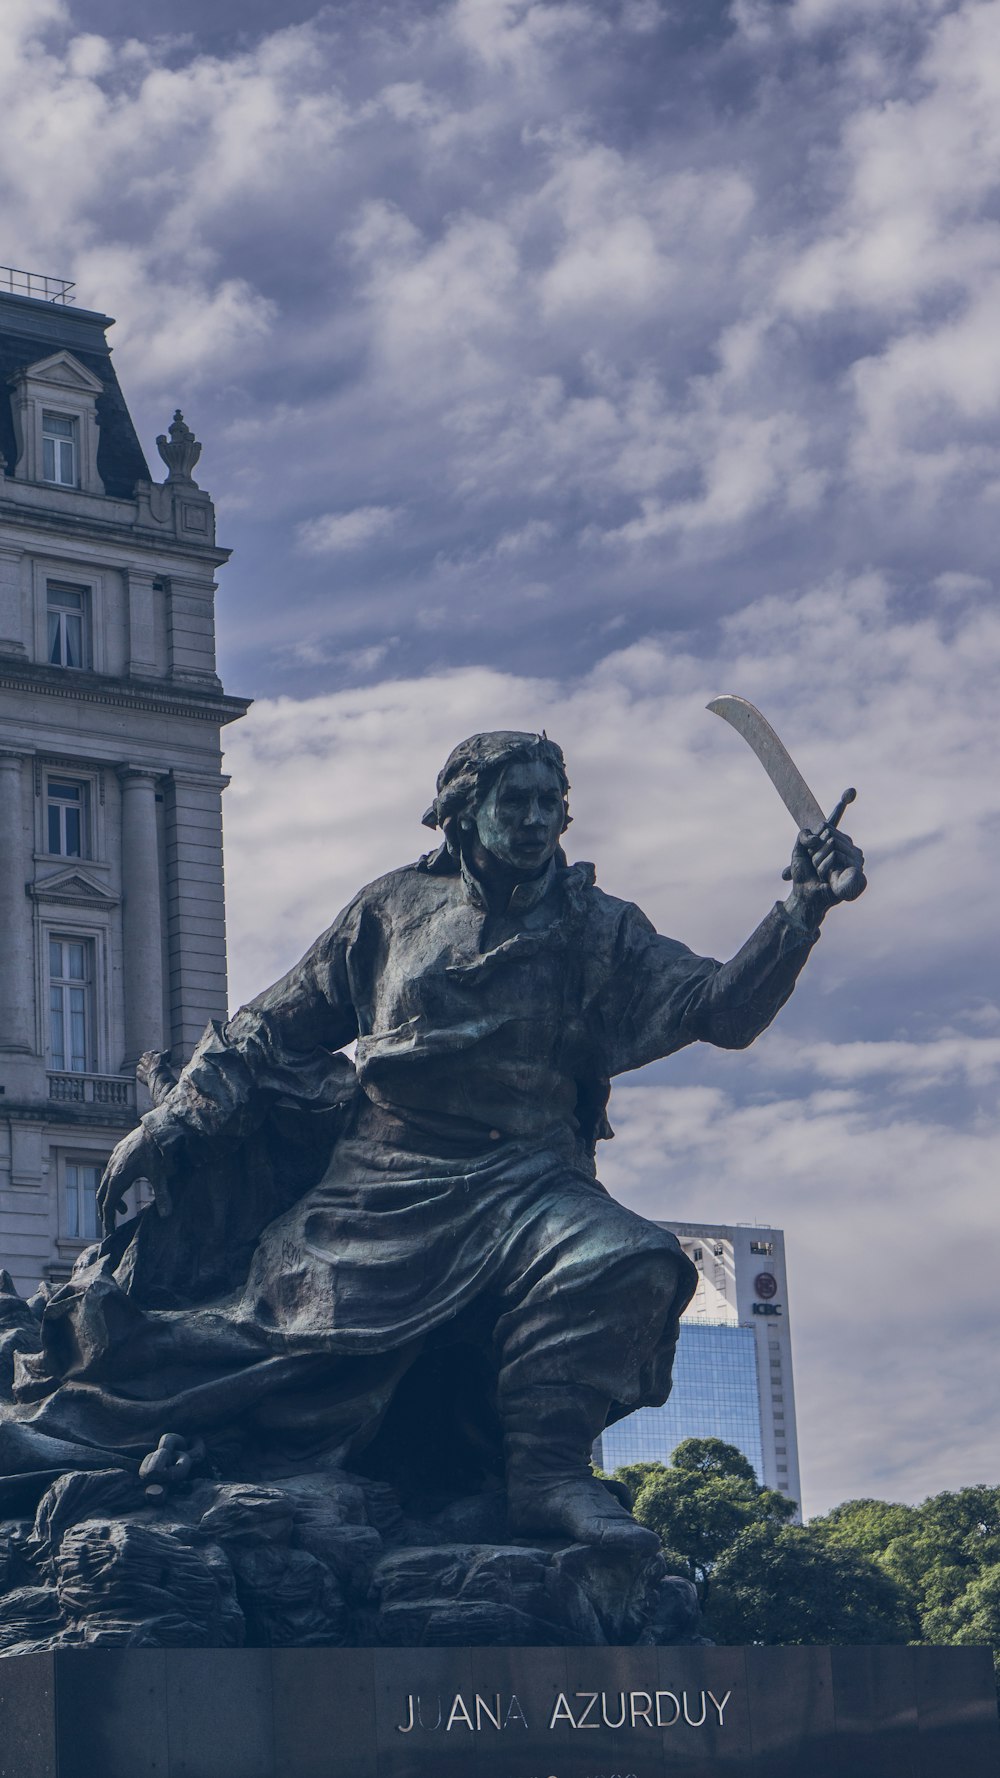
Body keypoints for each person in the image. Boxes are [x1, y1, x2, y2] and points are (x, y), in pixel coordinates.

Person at [0, 731, 864, 1548]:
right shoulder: (391, 908)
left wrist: (799, 913)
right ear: (462, 811)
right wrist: (177, 1115)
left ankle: (548, 1478)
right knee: (264, 1353)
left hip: (532, 1178)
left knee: (630, 1257)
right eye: (515, 800)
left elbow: (721, 1010)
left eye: (549, 802)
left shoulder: (602, 926)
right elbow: (273, 1022)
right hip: (382, 1180)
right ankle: (96, 1429)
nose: (535, 818)